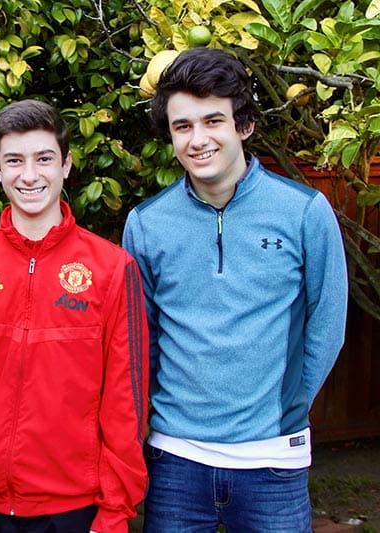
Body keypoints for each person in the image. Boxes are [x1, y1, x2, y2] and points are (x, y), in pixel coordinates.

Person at [122, 47, 349, 532]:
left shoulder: (305, 211)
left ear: (243, 125)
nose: (198, 140)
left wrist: (289, 404)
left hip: (273, 460)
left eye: (213, 121)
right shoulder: (146, 224)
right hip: (176, 459)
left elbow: (327, 322)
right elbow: (145, 338)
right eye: (183, 126)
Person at [0, 99, 149, 533]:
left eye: (43, 159)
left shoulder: (111, 268)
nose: (29, 176)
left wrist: (114, 514)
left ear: (66, 165)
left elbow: (126, 402)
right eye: (14, 161)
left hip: (78, 513)